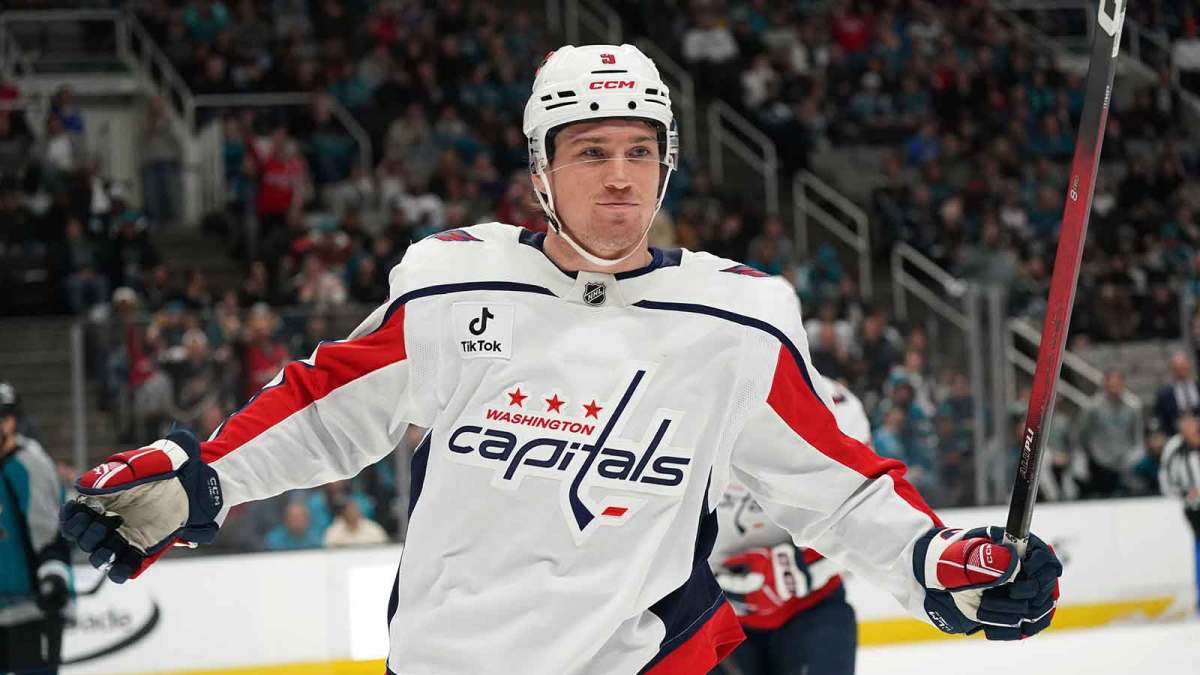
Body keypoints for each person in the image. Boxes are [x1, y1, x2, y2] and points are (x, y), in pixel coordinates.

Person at [60, 44, 1062, 674]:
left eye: (640, 151)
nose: (619, 179)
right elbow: (330, 405)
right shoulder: (457, 285)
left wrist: (939, 561)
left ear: (668, 163)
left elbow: (835, 488)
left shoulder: (736, 319)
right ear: (542, 169)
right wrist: (206, 479)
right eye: (591, 151)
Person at [711, 375, 867, 675]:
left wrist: (802, 568)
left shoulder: (839, 407)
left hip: (811, 610)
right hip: (707, 615)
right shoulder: (695, 397)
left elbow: (861, 513)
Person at [0, 383, 71, 674]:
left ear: (14, 420)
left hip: (33, 609)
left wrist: (53, 578)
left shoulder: (30, 464)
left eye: (3, 416)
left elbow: (51, 532)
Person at [1076, 369, 1143, 498]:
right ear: (1105, 386)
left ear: (1123, 385)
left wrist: (1133, 457)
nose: (1114, 389)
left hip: (1125, 462)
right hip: (1099, 463)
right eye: (1111, 385)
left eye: (1117, 385)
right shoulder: (1092, 407)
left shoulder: (1133, 407)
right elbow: (1082, 435)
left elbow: (1137, 436)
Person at [1160, 413, 1200, 614]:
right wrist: (1185, 492)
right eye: (1184, 422)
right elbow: (1166, 481)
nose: (1190, 426)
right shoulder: (1175, 448)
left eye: (1192, 421)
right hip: (1193, 508)